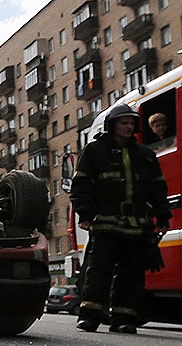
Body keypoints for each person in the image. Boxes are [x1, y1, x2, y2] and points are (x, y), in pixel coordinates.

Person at [69, 103, 170, 333]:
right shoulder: (95, 151)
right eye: (124, 123)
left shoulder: (145, 154)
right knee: (99, 271)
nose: (128, 127)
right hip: (106, 223)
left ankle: (124, 319)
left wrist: (163, 216)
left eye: (131, 123)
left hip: (136, 226)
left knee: (132, 274)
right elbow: (81, 184)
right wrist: (84, 214)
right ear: (113, 125)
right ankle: (90, 316)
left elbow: (158, 188)